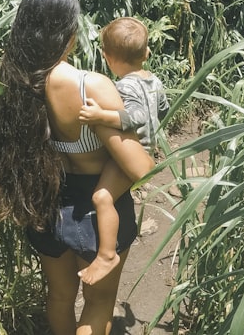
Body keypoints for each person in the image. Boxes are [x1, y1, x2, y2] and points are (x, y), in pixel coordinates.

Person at [0, 0, 155, 335]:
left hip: (45, 201)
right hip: (94, 210)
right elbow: (139, 167)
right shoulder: (89, 85)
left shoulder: (16, 81)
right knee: (98, 303)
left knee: (60, 298)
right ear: (68, 32)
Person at [77, 17, 169, 285]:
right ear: (146, 53)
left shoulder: (125, 85)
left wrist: (101, 116)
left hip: (133, 151)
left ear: (106, 57)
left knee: (102, 197)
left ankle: (107, 254)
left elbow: (137, 115)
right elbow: (161, 110)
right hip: (146, 147)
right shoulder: (153, 80)